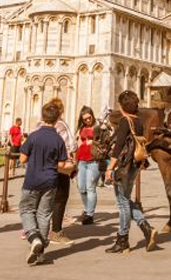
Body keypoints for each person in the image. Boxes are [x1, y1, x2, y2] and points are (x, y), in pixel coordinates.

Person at [104, 90, 157, 254]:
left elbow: (118, 147)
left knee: (122, 204)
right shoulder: (139, 122)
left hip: (124, 167)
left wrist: (109, 168)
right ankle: (146, 228)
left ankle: (123, 239)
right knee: (126, 199)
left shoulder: (125, 121)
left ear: (122, 106)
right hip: (135, 166)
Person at [19, 101, 70, 266]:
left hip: (32, 180)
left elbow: (22, 158)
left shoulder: (33, 136)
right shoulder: (58, 140)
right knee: (44, 215)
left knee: (27, 210)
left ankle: (34, 238)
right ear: (57, 120)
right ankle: (40, 253)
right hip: (50, 182)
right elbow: (62, 165)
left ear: (42, 117)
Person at [43, 98, 76, 245]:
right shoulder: (61, 125)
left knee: (44, 199)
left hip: (42, 166)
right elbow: (71, 144)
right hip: (60, 166)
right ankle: (56, 231)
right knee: (60, 198)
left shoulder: (40, 125)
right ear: (60, 111)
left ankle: (36, 230)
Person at [75, 106, 103, 224]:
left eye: (89, 118)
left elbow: (105, 143)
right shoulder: (81, 128)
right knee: (81, 187)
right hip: (81, 160)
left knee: (90, 187)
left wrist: (94, 142)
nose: (87, 121)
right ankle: (87, 210)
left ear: (92, 115)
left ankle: (89, 214)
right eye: (84, 119)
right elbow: (78, 142)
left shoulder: (99, 127)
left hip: (93, 161)